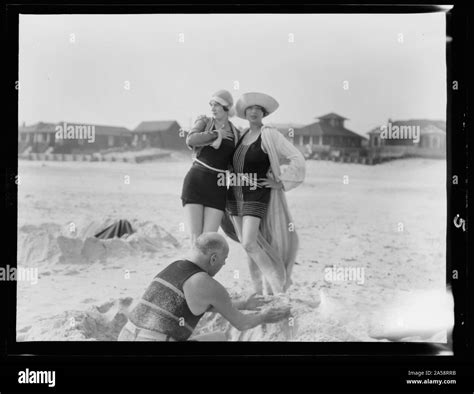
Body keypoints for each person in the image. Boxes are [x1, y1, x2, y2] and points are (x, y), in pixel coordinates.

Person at [117, 232, 291, 341]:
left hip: (126, 335)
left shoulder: (173, 267)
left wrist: (244, 304)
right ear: (213, 258)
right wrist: (264, 317)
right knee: (223, 339)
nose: (224, 264)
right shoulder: (208, 284)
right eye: (224, 259)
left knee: (218, 338)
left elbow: (197, 306)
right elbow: (242, 324)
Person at [222, 92, 306, 295]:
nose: (253, 111)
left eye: (258, 109)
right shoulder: (241, 135)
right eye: (249, 108)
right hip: (234, 195)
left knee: (251, 243)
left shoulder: (270, 134)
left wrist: (280, 183)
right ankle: (259, 292)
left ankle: (278, 289)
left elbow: (297, 158)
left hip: (256, 194)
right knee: (248, 247)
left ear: (263, 113)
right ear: (244, 112)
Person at [181, 90, 240, 247]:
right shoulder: (204, 121)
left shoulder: (236, 133)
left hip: (218, 187)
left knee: (208, 241)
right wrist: (216, 135)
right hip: (196, 181)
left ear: (226, 107)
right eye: (211, 105)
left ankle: (202, 271)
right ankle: (195, 272)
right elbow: (191, 139)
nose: (213, 108)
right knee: (196, 240)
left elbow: (236, 164)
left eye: (217, 105)